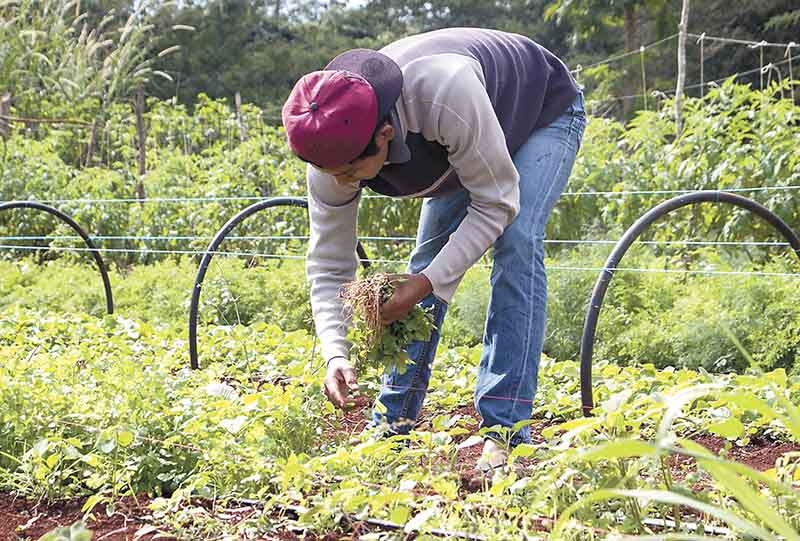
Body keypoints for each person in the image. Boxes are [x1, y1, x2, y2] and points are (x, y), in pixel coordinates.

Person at [282, 27, 586, 471]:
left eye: (351, 171)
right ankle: (393, 421)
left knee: (517, 242)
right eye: (333, 174)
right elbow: (330, 264)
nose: (343, 182)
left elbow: (496, 202)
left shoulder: (443, 92)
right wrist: (336, 352)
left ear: (385, 133)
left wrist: (425, 285)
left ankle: (506, 434)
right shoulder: (330, 150)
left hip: (540, 111)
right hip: (464, 141)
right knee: (426, 267)